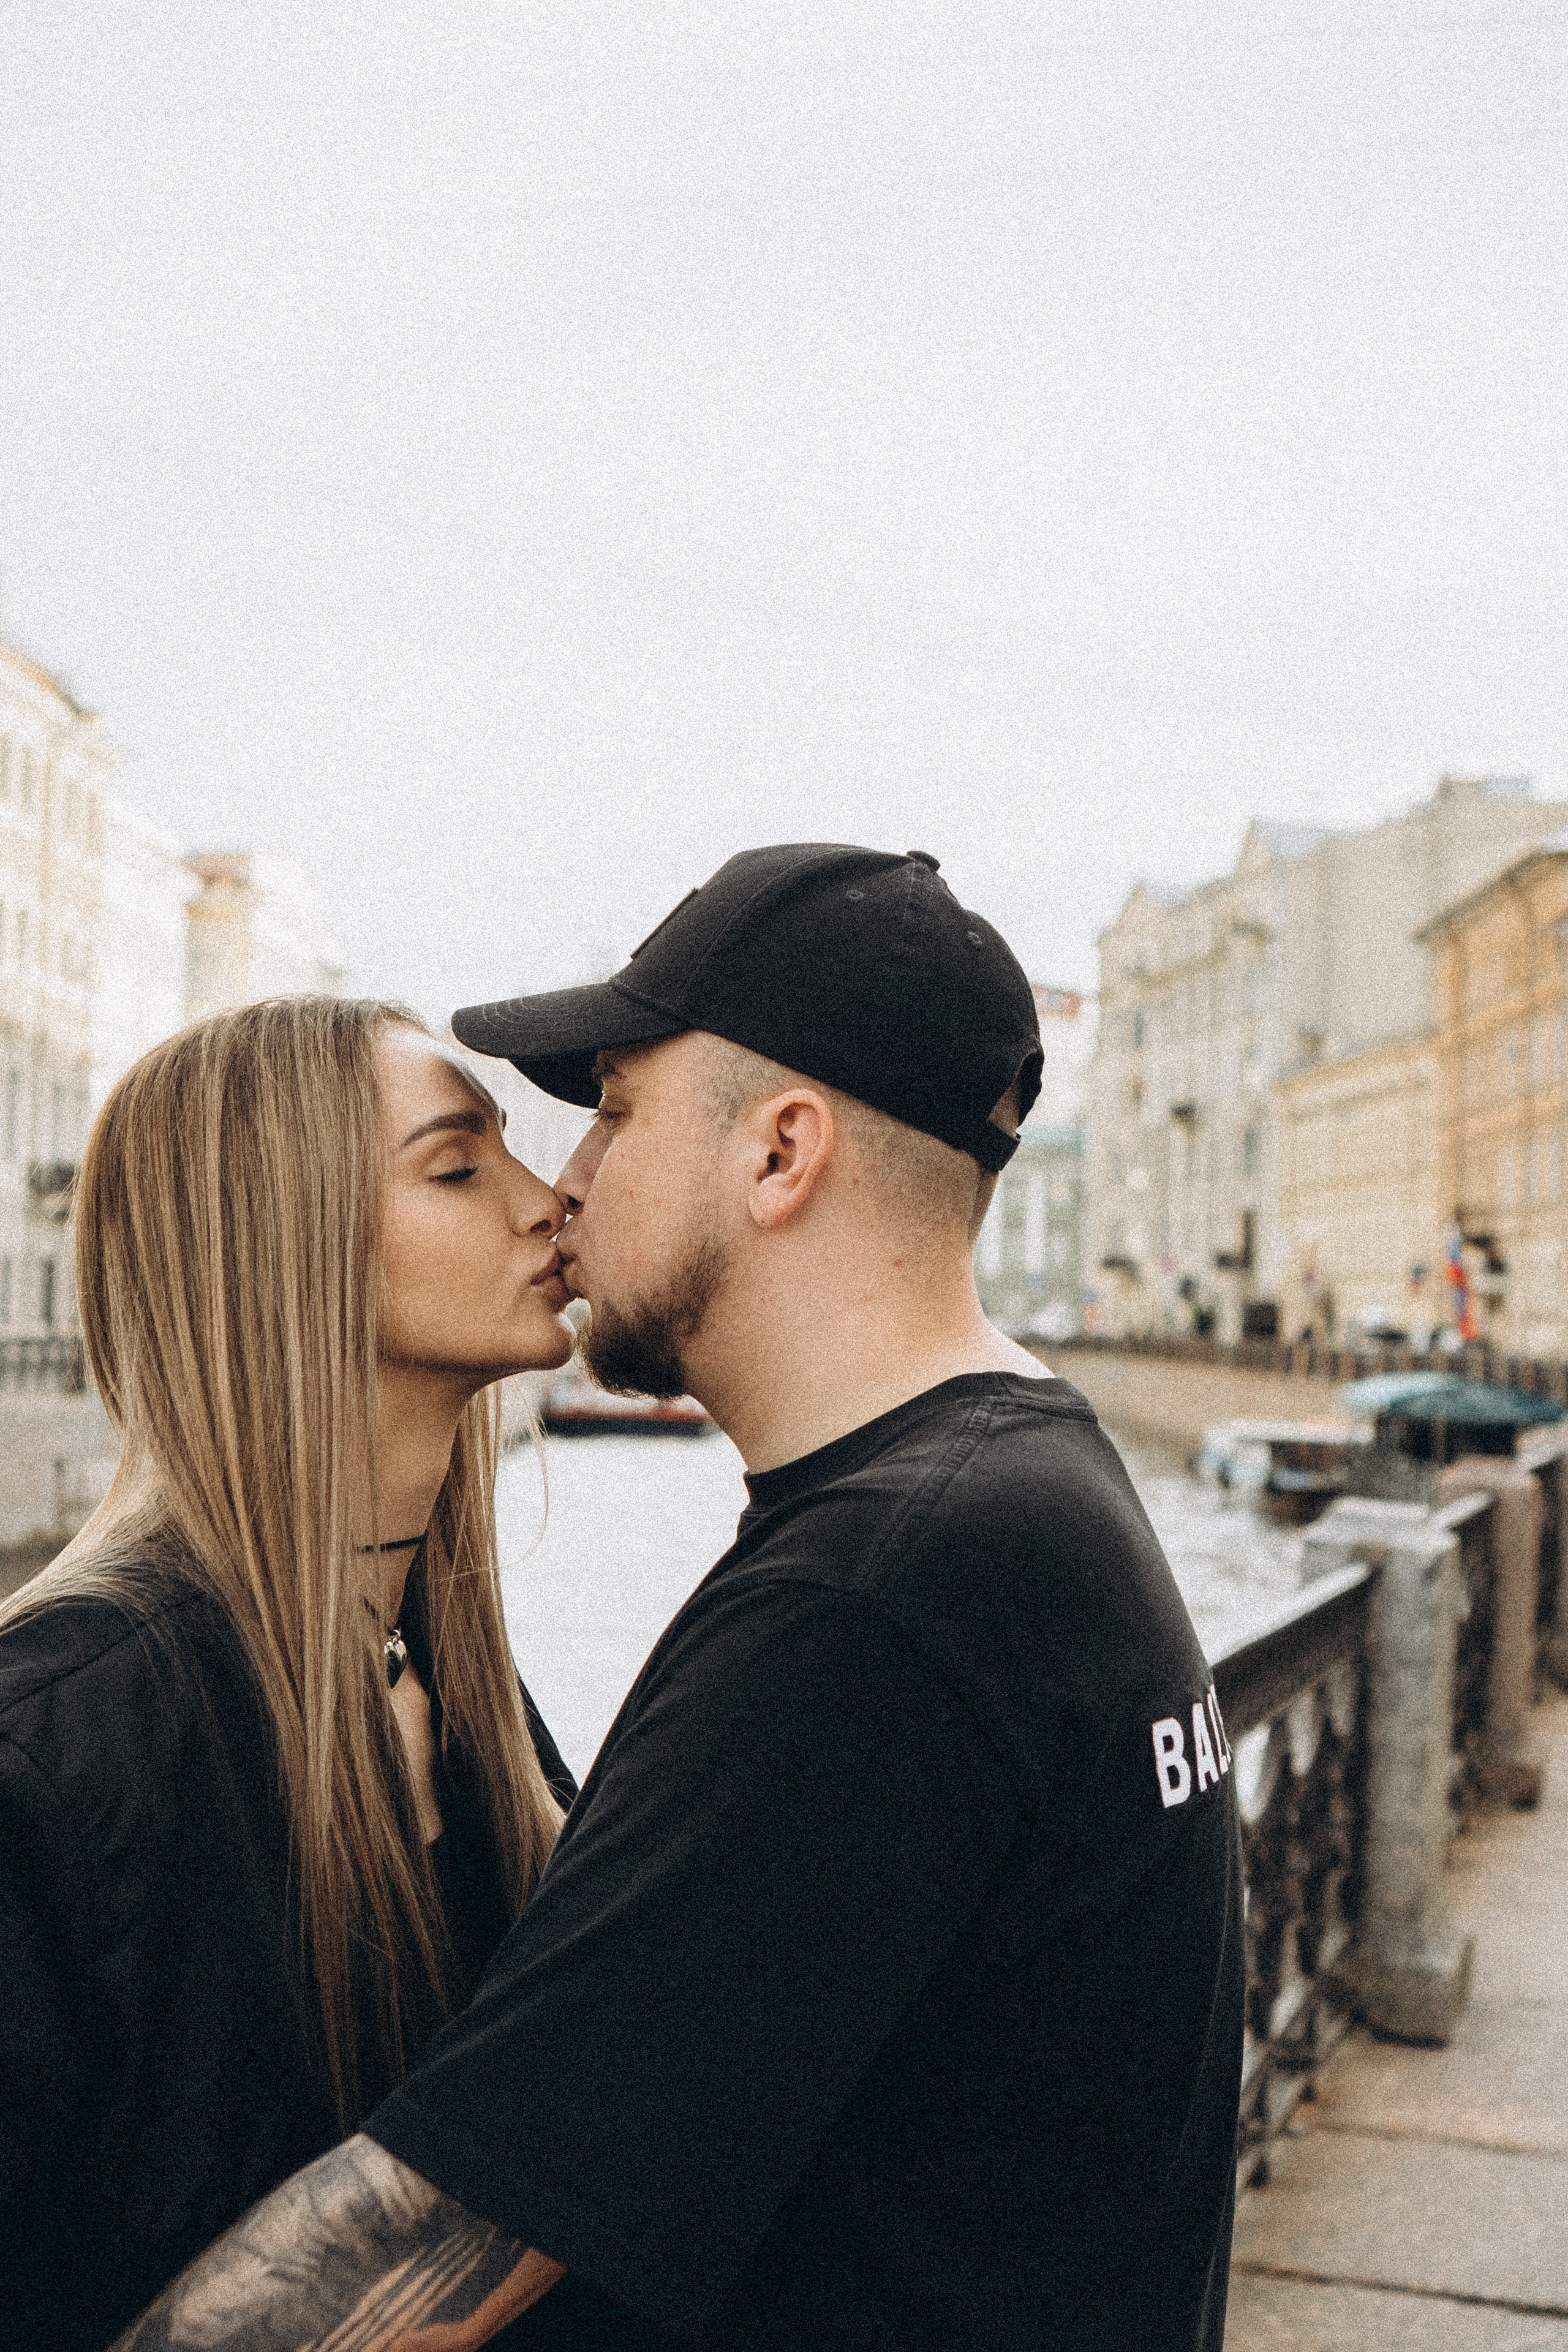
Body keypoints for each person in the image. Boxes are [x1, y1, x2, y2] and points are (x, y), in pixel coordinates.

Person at [114, 845, 1245, 2352]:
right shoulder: (1026, 1483)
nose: (567, 1181)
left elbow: (440, 2232)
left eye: (616, 1112)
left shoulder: (875, 1600)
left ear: (779, 1153)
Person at [0, 996, 581, 2351]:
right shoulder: (59, 1742)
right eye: (458, 1167)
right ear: (284, 1249)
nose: (548, 1201)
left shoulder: (449, 1681)